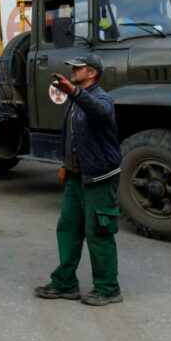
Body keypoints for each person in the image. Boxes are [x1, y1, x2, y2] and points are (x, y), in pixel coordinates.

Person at [34, 52, 123, 306]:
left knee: (99, 232)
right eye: (72, 68)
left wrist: (73, 91)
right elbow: (72, 136)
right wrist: (66, 165)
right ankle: (65, 283)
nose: (73, 71)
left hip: (99, 178)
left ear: (92, 72)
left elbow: (99, 111)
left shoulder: (101, 98)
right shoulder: (76, 102)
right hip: (76, 178)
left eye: (78, 68)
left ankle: (108, 288)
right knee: (68, 229)